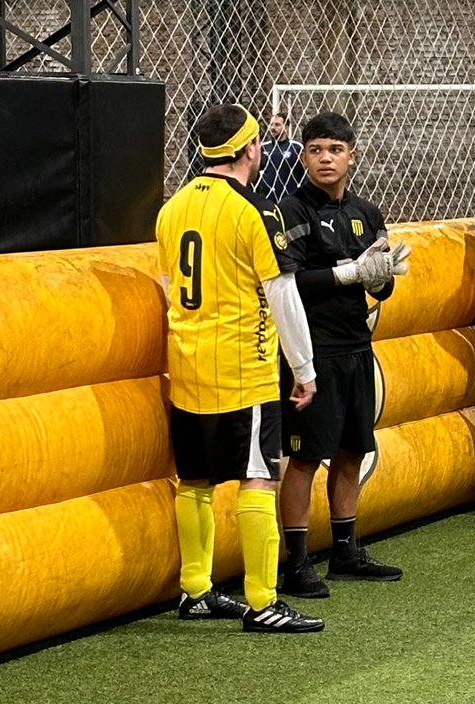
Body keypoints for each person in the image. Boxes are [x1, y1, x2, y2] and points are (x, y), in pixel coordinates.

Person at [156, 102, 324, 633]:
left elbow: (169, 286)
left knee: (195, 479)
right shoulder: (255, 212)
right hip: (242, 368)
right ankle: (262, 601)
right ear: (251, 148)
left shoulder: (172, 209)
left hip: (187, 366)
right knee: (258, 477)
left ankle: (195, 590)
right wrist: (304, 369)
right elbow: (282, 294)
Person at [275, 112, 410, 599]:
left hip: (356, 345)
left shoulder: (367, 212)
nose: (325, 159)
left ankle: (346, 552)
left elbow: (383, 288)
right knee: (305, 456)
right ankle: (295, 562)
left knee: (353, 448)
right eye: (315, 150)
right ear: (303, 158)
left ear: (352, 156)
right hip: (311, 350)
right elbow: (288, 283)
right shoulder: (290, 210)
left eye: (334, 150)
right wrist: (346, 273)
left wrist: (380, 274)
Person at [256, 112, 305, 202]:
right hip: (266, 199)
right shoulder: (263, 147)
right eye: (271, 125)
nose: (273, 128)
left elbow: (303, 175)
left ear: (286, 128)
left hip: (288, 199)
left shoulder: (296, 148)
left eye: (277, 125)